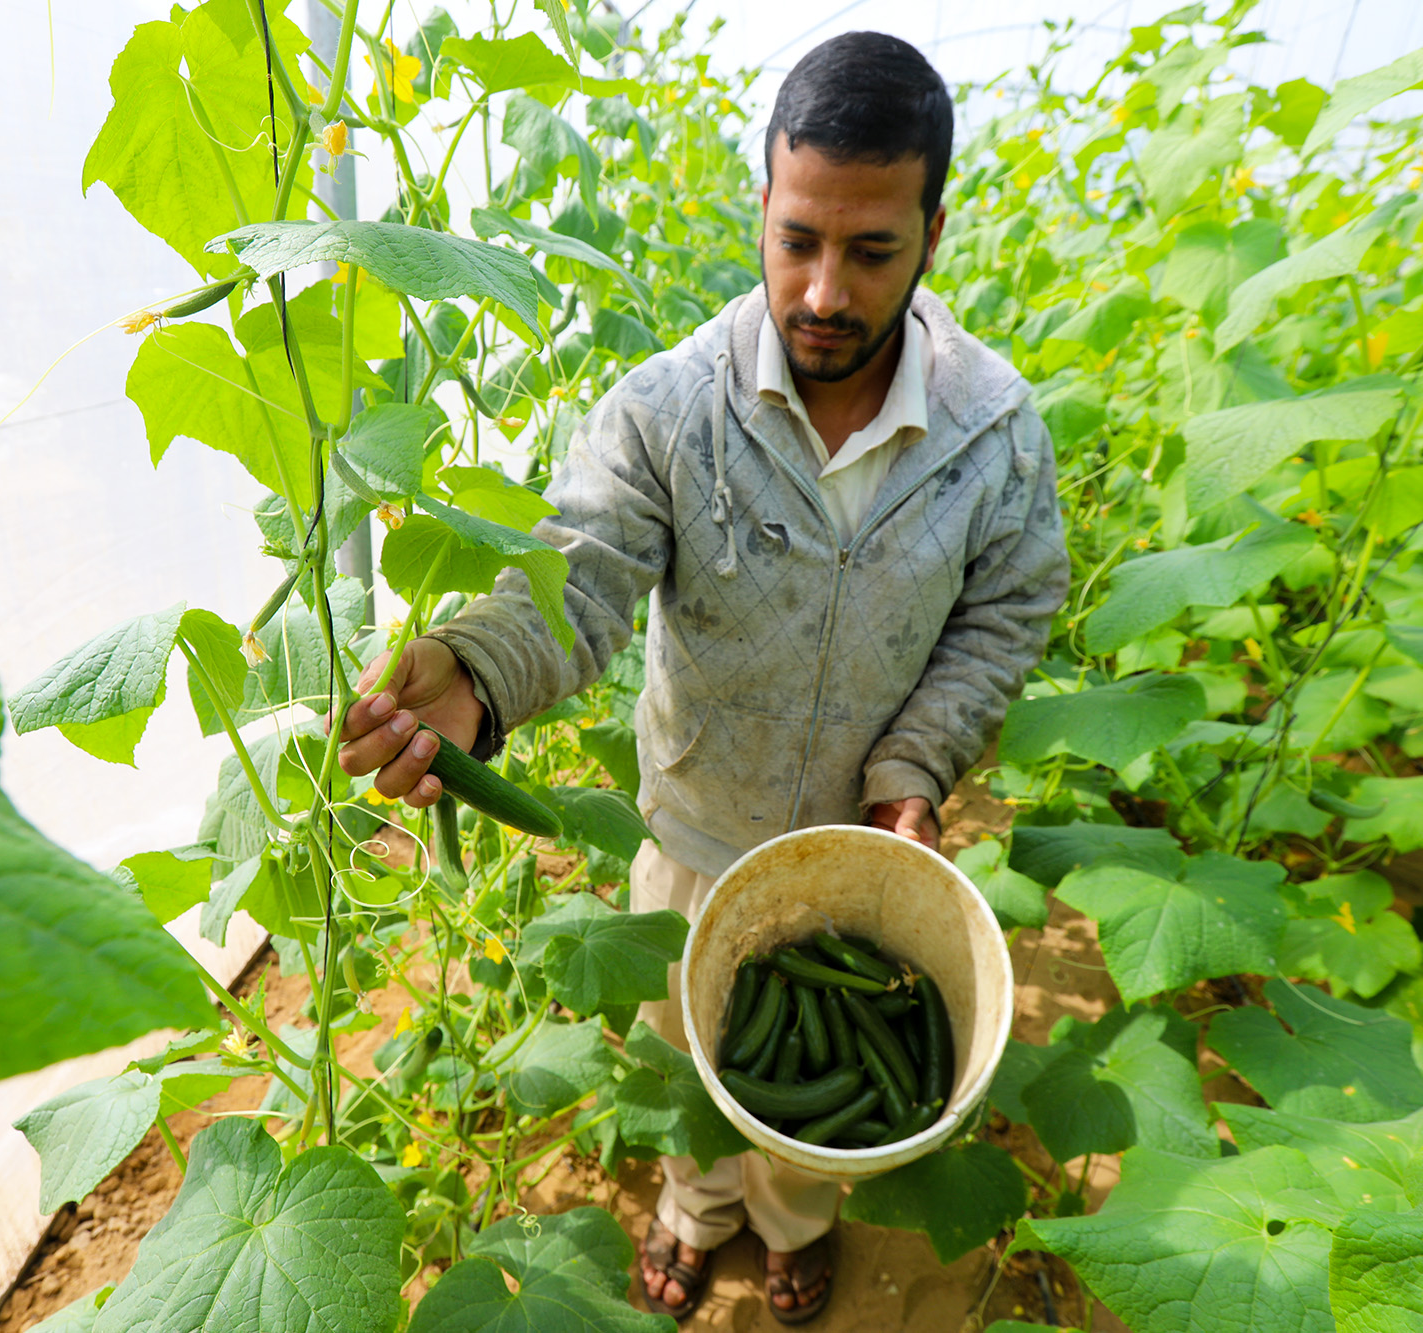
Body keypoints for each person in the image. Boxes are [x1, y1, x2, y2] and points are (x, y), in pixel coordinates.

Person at [334, 30, 1068, 1325]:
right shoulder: (669, 412)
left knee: (805, 1105)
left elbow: (1007, 611)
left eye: (872, 249)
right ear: (763, 212)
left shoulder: (993, 432)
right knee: (691, 1056)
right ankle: (694, 1205)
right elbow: (581, 574)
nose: (826, 289)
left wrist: (915, 767)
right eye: (797, 240)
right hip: (698, 825)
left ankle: (791, 1219)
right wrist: (480, 673)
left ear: (933, 232)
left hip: (861, 850)